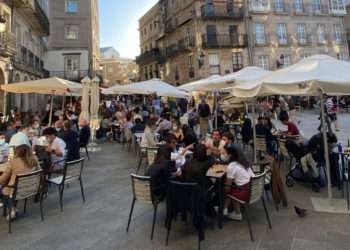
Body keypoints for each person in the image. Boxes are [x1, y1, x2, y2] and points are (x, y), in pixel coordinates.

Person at [0, 144, 40, 220]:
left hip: (16, 190)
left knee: (4, 188)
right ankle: (13, 208)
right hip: (31, 188)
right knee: (9, 187)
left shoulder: (13, 162)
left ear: (17, 152)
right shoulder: (34, 159)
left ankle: (12, 209)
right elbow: (39, 172)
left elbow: (3, 179)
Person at [223, 144, 255, 221]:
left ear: (230, 155)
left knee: (227, 188)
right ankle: (225, 209)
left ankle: (237, 214)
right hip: (254, 188)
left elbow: (228, 187)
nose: (224, 155)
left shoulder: (232, 166)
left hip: (245, 193)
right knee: (231, 186)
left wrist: (221, 192)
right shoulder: (244, 161)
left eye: (225, 153)